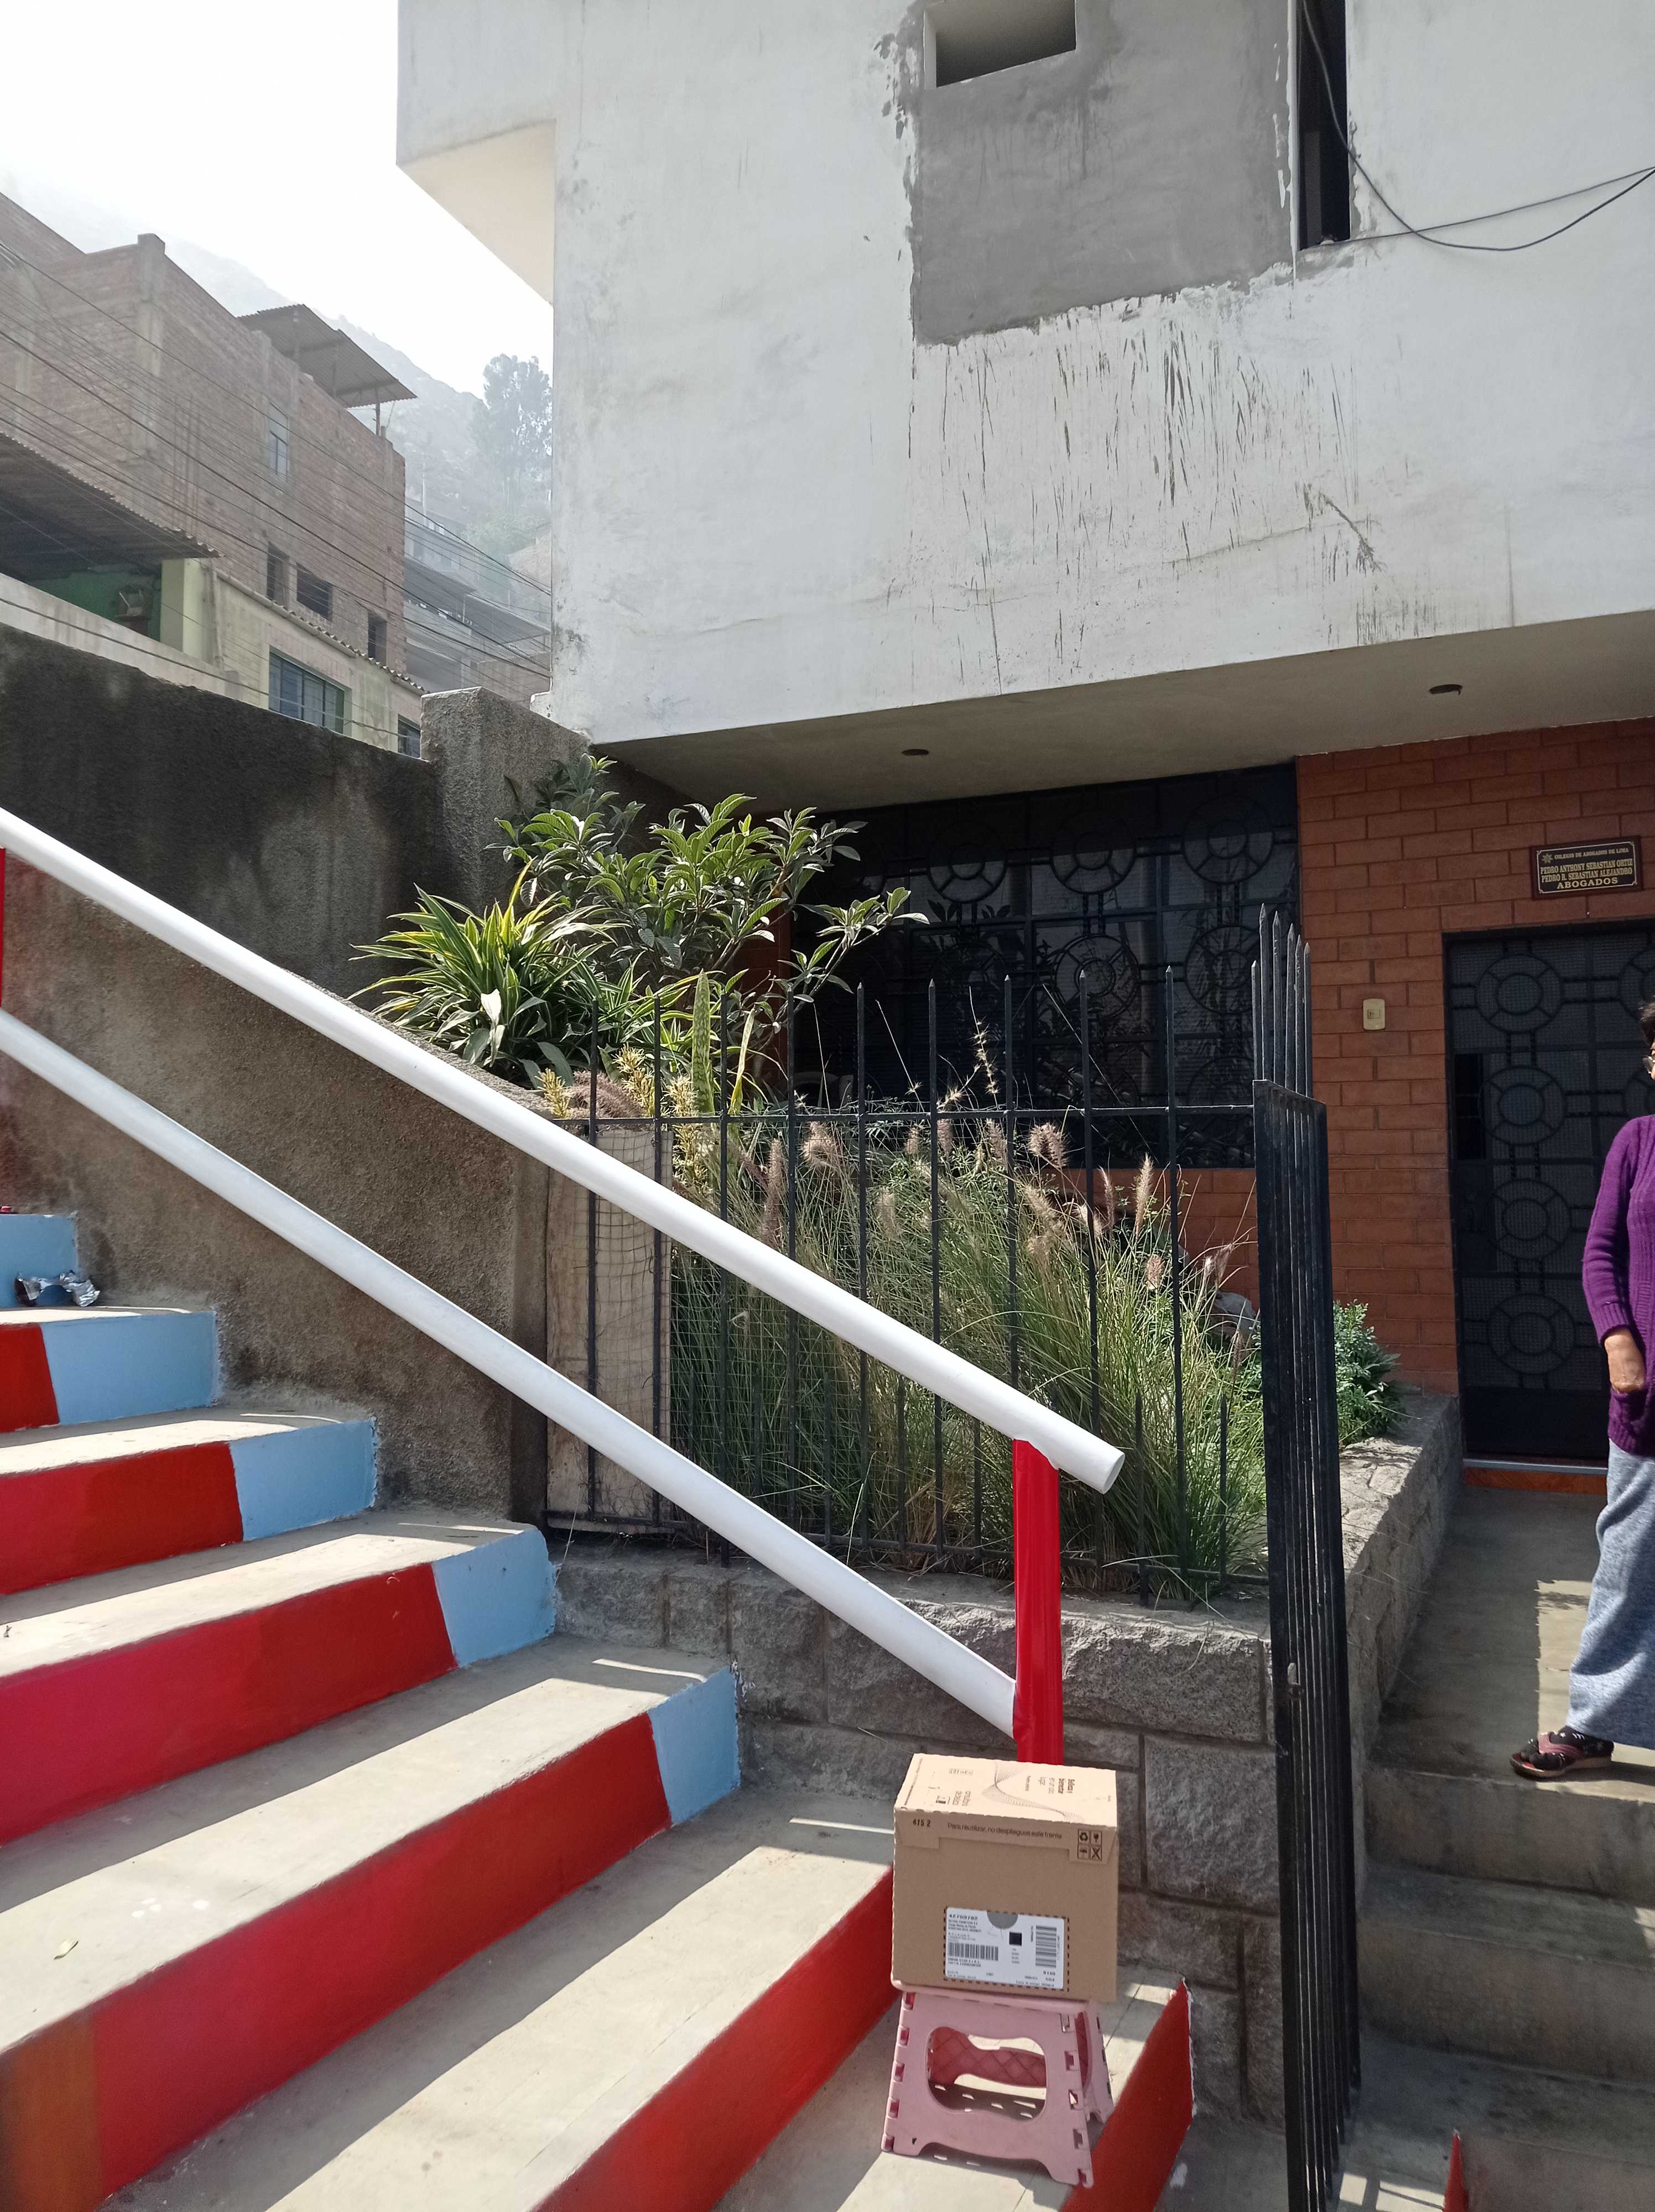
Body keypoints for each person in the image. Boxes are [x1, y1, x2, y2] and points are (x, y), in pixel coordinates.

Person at [1513, 1000, 1655, 1780]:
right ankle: (1594, 1723)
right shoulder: (1637, 1142)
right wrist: (1618, 1339)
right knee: (1629, 1561)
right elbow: (1600, 1252)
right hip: (1648, 1403)